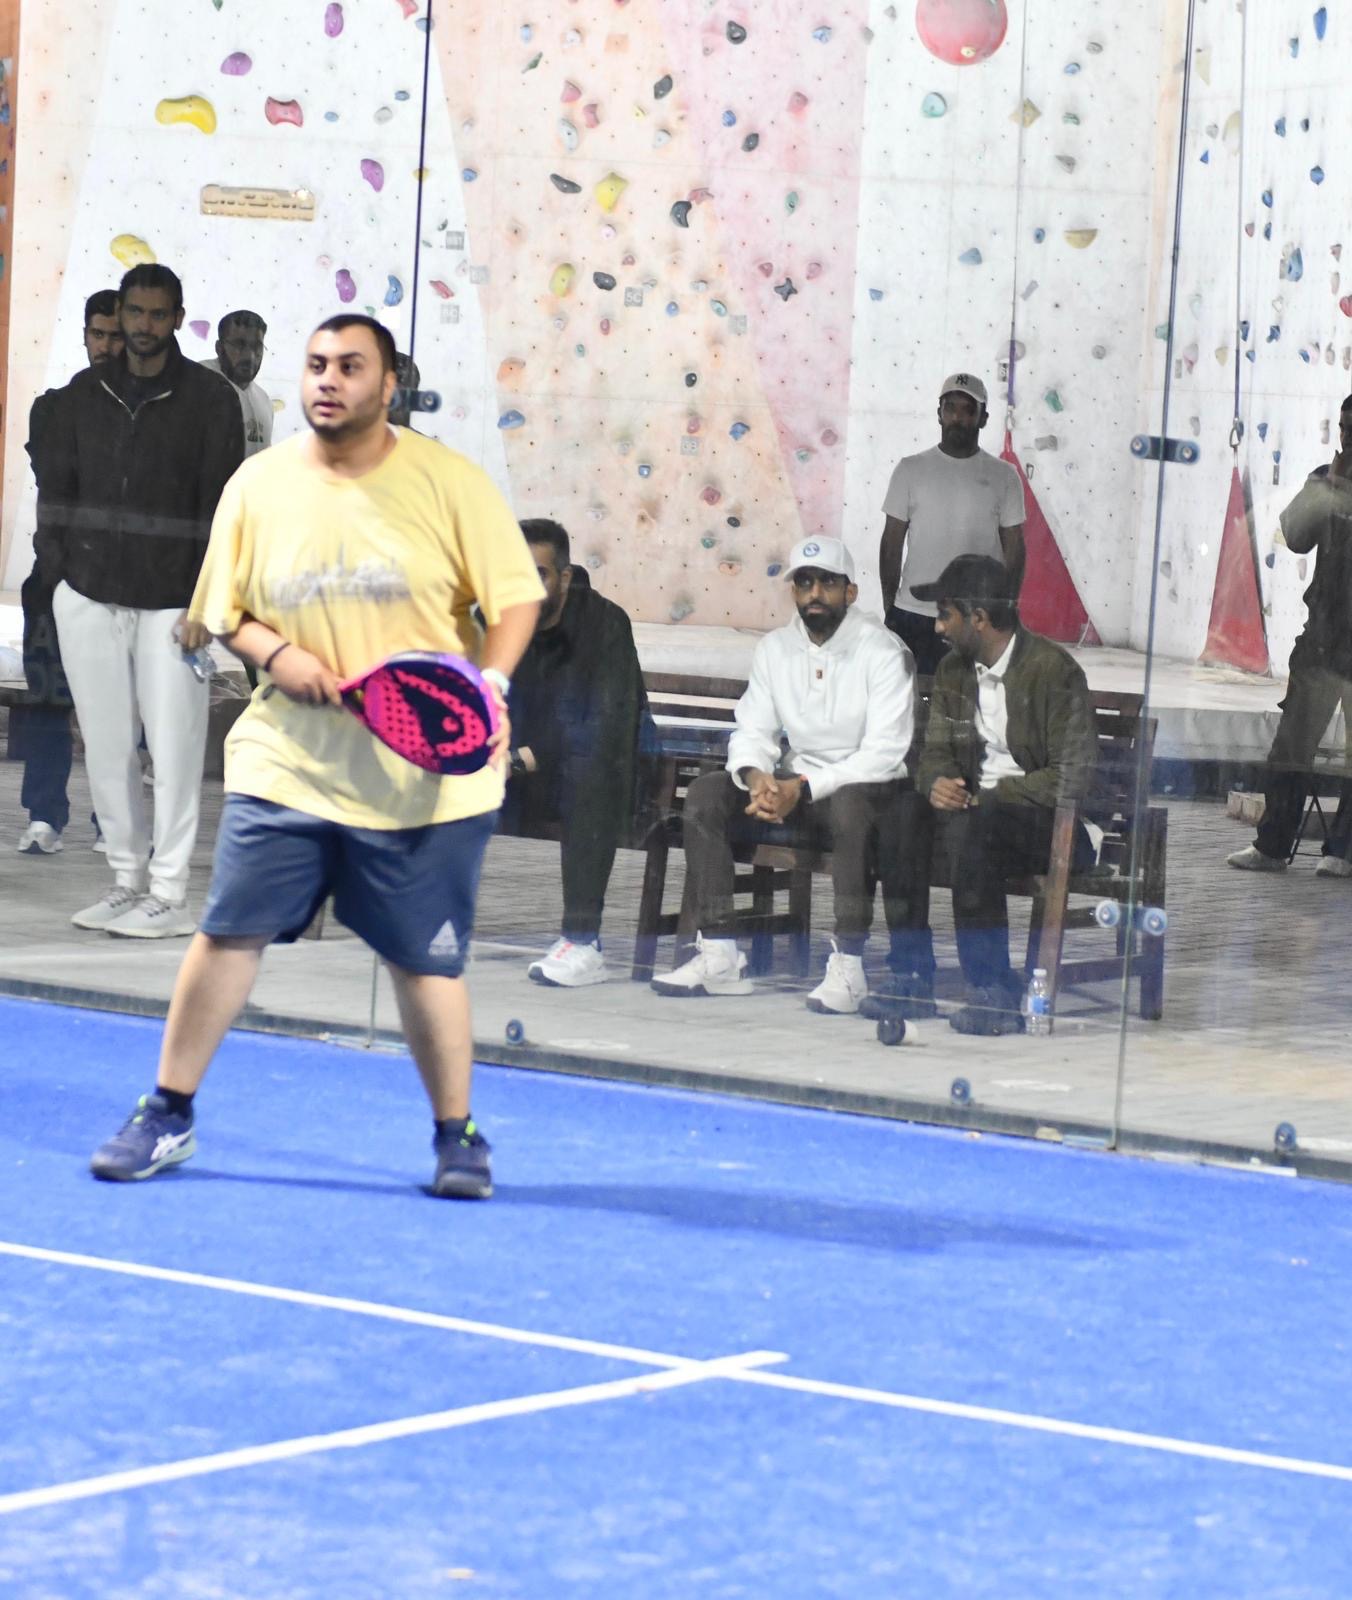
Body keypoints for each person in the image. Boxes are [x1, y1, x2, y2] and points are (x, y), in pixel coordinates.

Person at [88, 313, 543, 1199]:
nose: (328, 379)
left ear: (389, 384)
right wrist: (278, 654)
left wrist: (490, 682)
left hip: (422, 784)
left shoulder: (451, 484)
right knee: (228, 934)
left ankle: (458, 1136)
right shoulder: (258, 485)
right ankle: (167, 1113)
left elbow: (515, 598)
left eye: (350, 366)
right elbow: (225, 610)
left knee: (426, 963)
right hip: (287, 762)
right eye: (317, 364)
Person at [36, 263, 245, 936]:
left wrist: (205, 599)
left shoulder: (210, 399)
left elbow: (223, 507)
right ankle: (126, 879)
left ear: (178, 318)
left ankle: (170, 893)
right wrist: (61, 571)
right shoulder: (84, 393)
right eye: (134, 313)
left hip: (174, 603)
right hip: (89, 593)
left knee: (176, 749)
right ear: (120, 314)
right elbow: (56, 493)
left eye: (157, 314)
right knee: (105, 746)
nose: (144, 326)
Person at [652, 537, 915, 1012]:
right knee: (707, 795)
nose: (815, 593)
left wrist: (804, 788)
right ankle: (720, 954)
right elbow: (753, 728)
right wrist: (757, 779)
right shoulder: (776, 648)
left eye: (827, 583)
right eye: (804, 582)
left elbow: (885, 753)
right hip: (797, 788)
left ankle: (849, 965)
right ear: (793, 591)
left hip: (862, 791)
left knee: (853, 807)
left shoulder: (882, 650)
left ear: (850, 592)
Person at [912, 556, 1098, 1035]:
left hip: (1050, 824)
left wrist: (993, 794)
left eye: (945, 615)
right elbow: (935, 752)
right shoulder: (954, 671)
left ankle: (991, 991)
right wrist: (935, 782)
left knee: (979, 827)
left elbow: (1072, 776)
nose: (937, 627)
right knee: (900, 815)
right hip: (977, 817)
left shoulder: (1053, 671)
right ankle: (908, 975)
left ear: (978, 617)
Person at [501, 518, 652, 987]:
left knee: (589, 773)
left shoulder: (605, 624)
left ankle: (583, 943)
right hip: (520, 774)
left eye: (538, 574)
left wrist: (518, 759)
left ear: (564, 578)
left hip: (607, 777)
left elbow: (600, 724)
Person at [15, 290, 124, 856]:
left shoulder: (148, 415)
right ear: (84, 336)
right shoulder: (53, 407)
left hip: (122, 580)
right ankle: (44, 816)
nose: (105, 346)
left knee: (117, 705)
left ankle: (113, 821)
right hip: (56, 573)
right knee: (48, 698)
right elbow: (58, 483)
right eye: (97, 334)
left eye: (115, 336)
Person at [1227, 395, 1352, 877]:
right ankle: (1273, 846)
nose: (1349, 438)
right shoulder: (1324, 480)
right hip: (1321, 639)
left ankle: (1343, 851)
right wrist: (1327, 487)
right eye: (1344, 428)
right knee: (1291, 747)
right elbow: (1293, 536)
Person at [879, 373, 1026, 677]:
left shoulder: (1005, 476)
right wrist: (890, 607)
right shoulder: (910, 470)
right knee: (909, 699)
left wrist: (1005, 607)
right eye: (950, 408)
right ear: (939, 413)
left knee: (974, 699)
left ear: (983, 418)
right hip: (913, 613)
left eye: (968, 410)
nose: (957, 417)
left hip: (976, 619)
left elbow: (1015, 549)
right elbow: (891, 544)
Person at [201, 310, 273, 458]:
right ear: (219, 348)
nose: (249, 356)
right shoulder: (196, 384)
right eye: (239, 345)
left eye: (256, 347)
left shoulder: (264, 400)